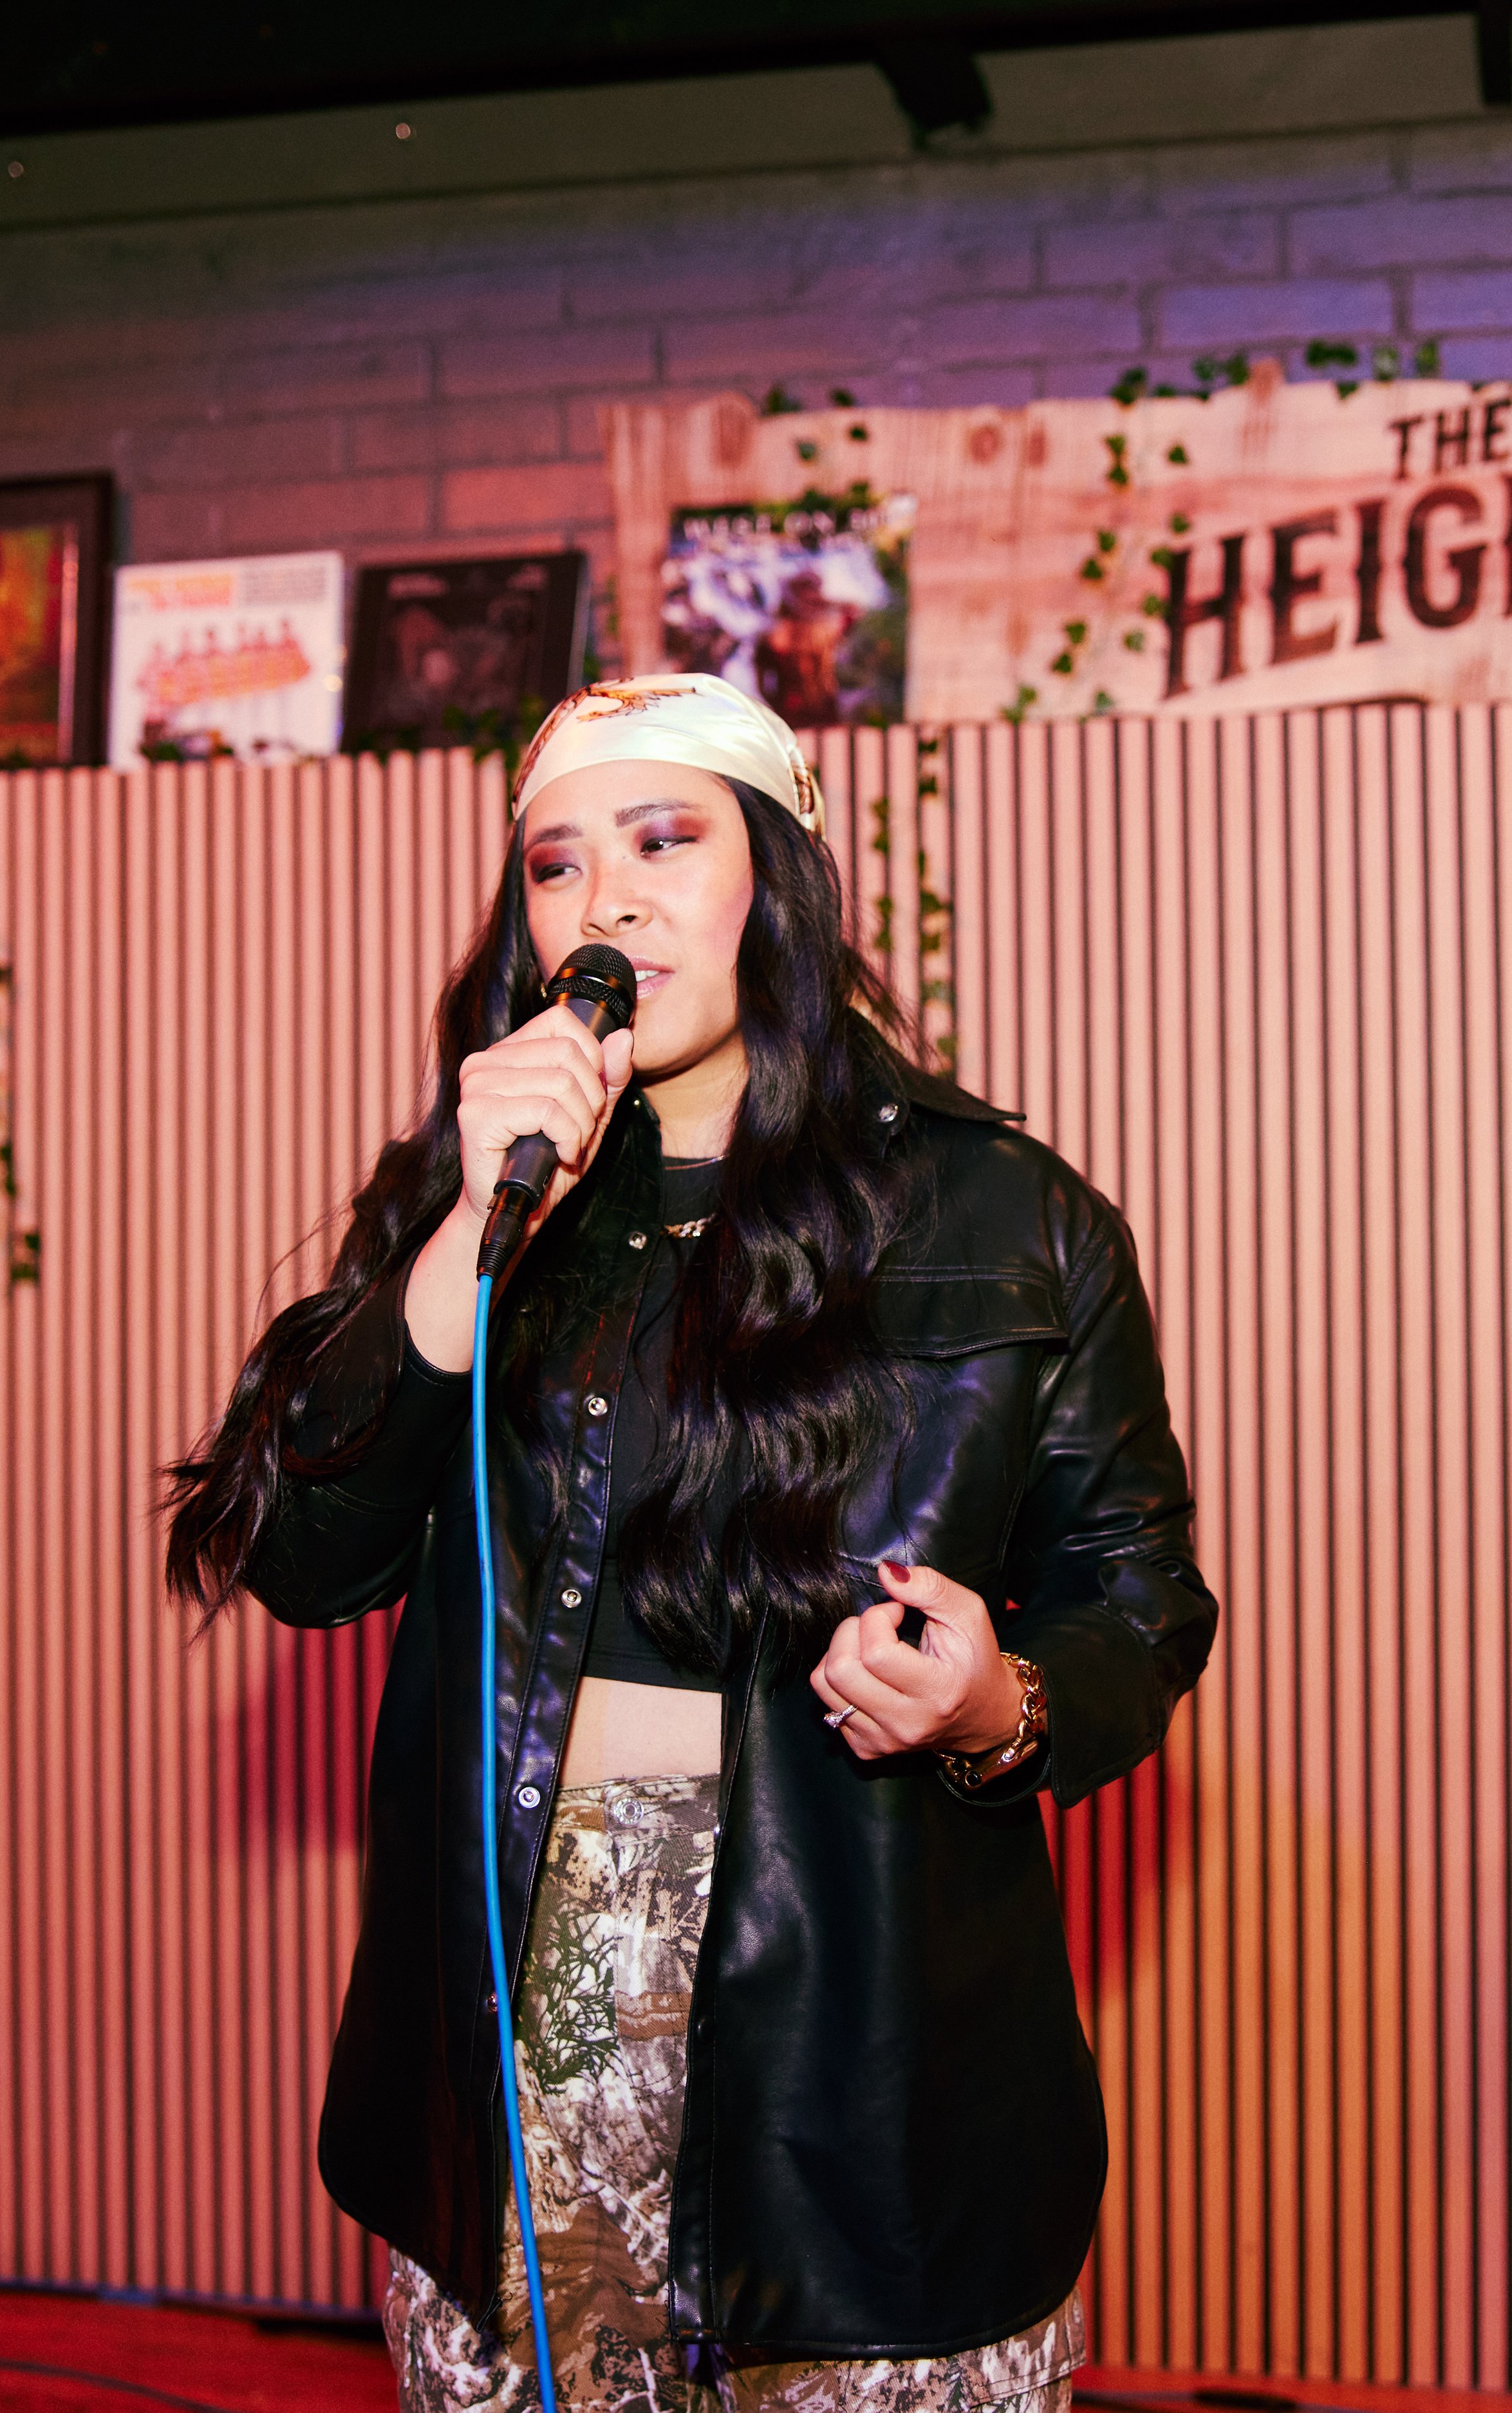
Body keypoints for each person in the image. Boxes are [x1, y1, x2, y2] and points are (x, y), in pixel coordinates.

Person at [166, 673, 1217, 2413]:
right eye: (557, 865)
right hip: (535, 1980)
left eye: (665, 841)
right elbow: (299, 1550)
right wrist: (462, 1222)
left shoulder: (1007, 1214)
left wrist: (994, 1701)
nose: (609, 902)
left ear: (776, 883)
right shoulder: (485, 1193)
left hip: (858, 2014)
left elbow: (1140, 1602)